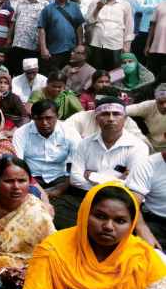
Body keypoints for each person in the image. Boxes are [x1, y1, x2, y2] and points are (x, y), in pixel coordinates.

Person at [11, 182, 166, 289]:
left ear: (131, 223)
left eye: (120, 221)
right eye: (100, 216)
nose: (108, 226)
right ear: (84, 213)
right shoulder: (53, 247)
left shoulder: (143, 255)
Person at [52, 97, 149, 230]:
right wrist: (115, 181)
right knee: (51, 213)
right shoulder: (85, 143)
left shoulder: (138, 147)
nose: (110, 119)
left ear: (125, 118)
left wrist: (92, 176)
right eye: (104, 114)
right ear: (96, 119)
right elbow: (75, 179)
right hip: (84, 197)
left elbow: (131, 186)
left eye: (116, 114)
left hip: (119, 202)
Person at [14, 99, 82, 195]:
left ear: (57, 116)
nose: (44, 123)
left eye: (49, 118)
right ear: (33, 118)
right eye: (39, 119)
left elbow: (78, 166)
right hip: (31, 179)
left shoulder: (70, 132)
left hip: (60, 179)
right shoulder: (21, 133)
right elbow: (17, 164)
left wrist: (60, 191)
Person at [38, 0, 85, 75]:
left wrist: (80, 44)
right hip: (54, 49)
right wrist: (43, 48)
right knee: (53, 75)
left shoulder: (74, 7)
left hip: (71, 49)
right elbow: (41, 28)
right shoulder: (48, 9)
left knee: (70, 75)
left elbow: (79, 26)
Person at [5, 0, 48, 77]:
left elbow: (45, 26)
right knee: (16, 72)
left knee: (30, 74)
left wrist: (43, 46)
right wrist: (9, 39)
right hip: (18, 43)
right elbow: (14, 22)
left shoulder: (45, 4)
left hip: (34, 46)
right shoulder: (21, 3)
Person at [86, 0, 134, 72]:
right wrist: (98, 8)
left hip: (116, 44)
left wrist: (128, 44)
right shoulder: (94, 3)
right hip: (97, 43)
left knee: (115, 72)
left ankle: (114, 85)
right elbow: (89, 22)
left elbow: (129, 25)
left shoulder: (125, 5)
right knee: (96, 71)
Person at [126, 84, 166, 152]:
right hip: (154, 150)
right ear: (156, 102)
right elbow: (124, 110)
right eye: (160, 103)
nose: (164, 106)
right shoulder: (150, 106)